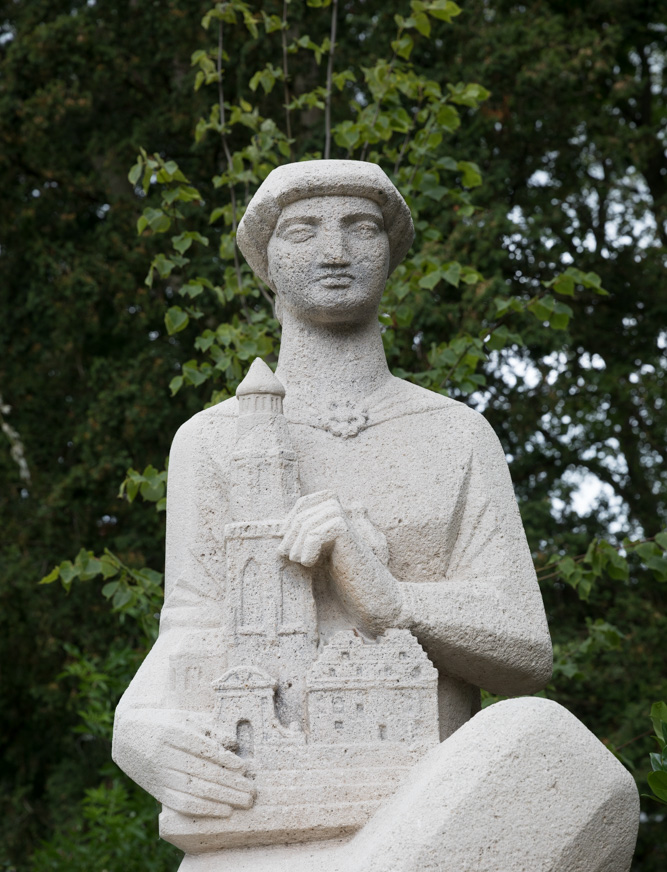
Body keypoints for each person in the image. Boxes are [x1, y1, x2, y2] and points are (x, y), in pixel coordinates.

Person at [112, 159, 552, 827]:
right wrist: (138, 731)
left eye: (361, 227)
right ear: (265, 264)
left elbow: (524, 649)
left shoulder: (455, 434)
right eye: (301, 230)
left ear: (390, 254)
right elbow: (195, 629)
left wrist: (394, 599)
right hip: (254, 814)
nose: (334, 250)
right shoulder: (210, 441)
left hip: (424, 815)